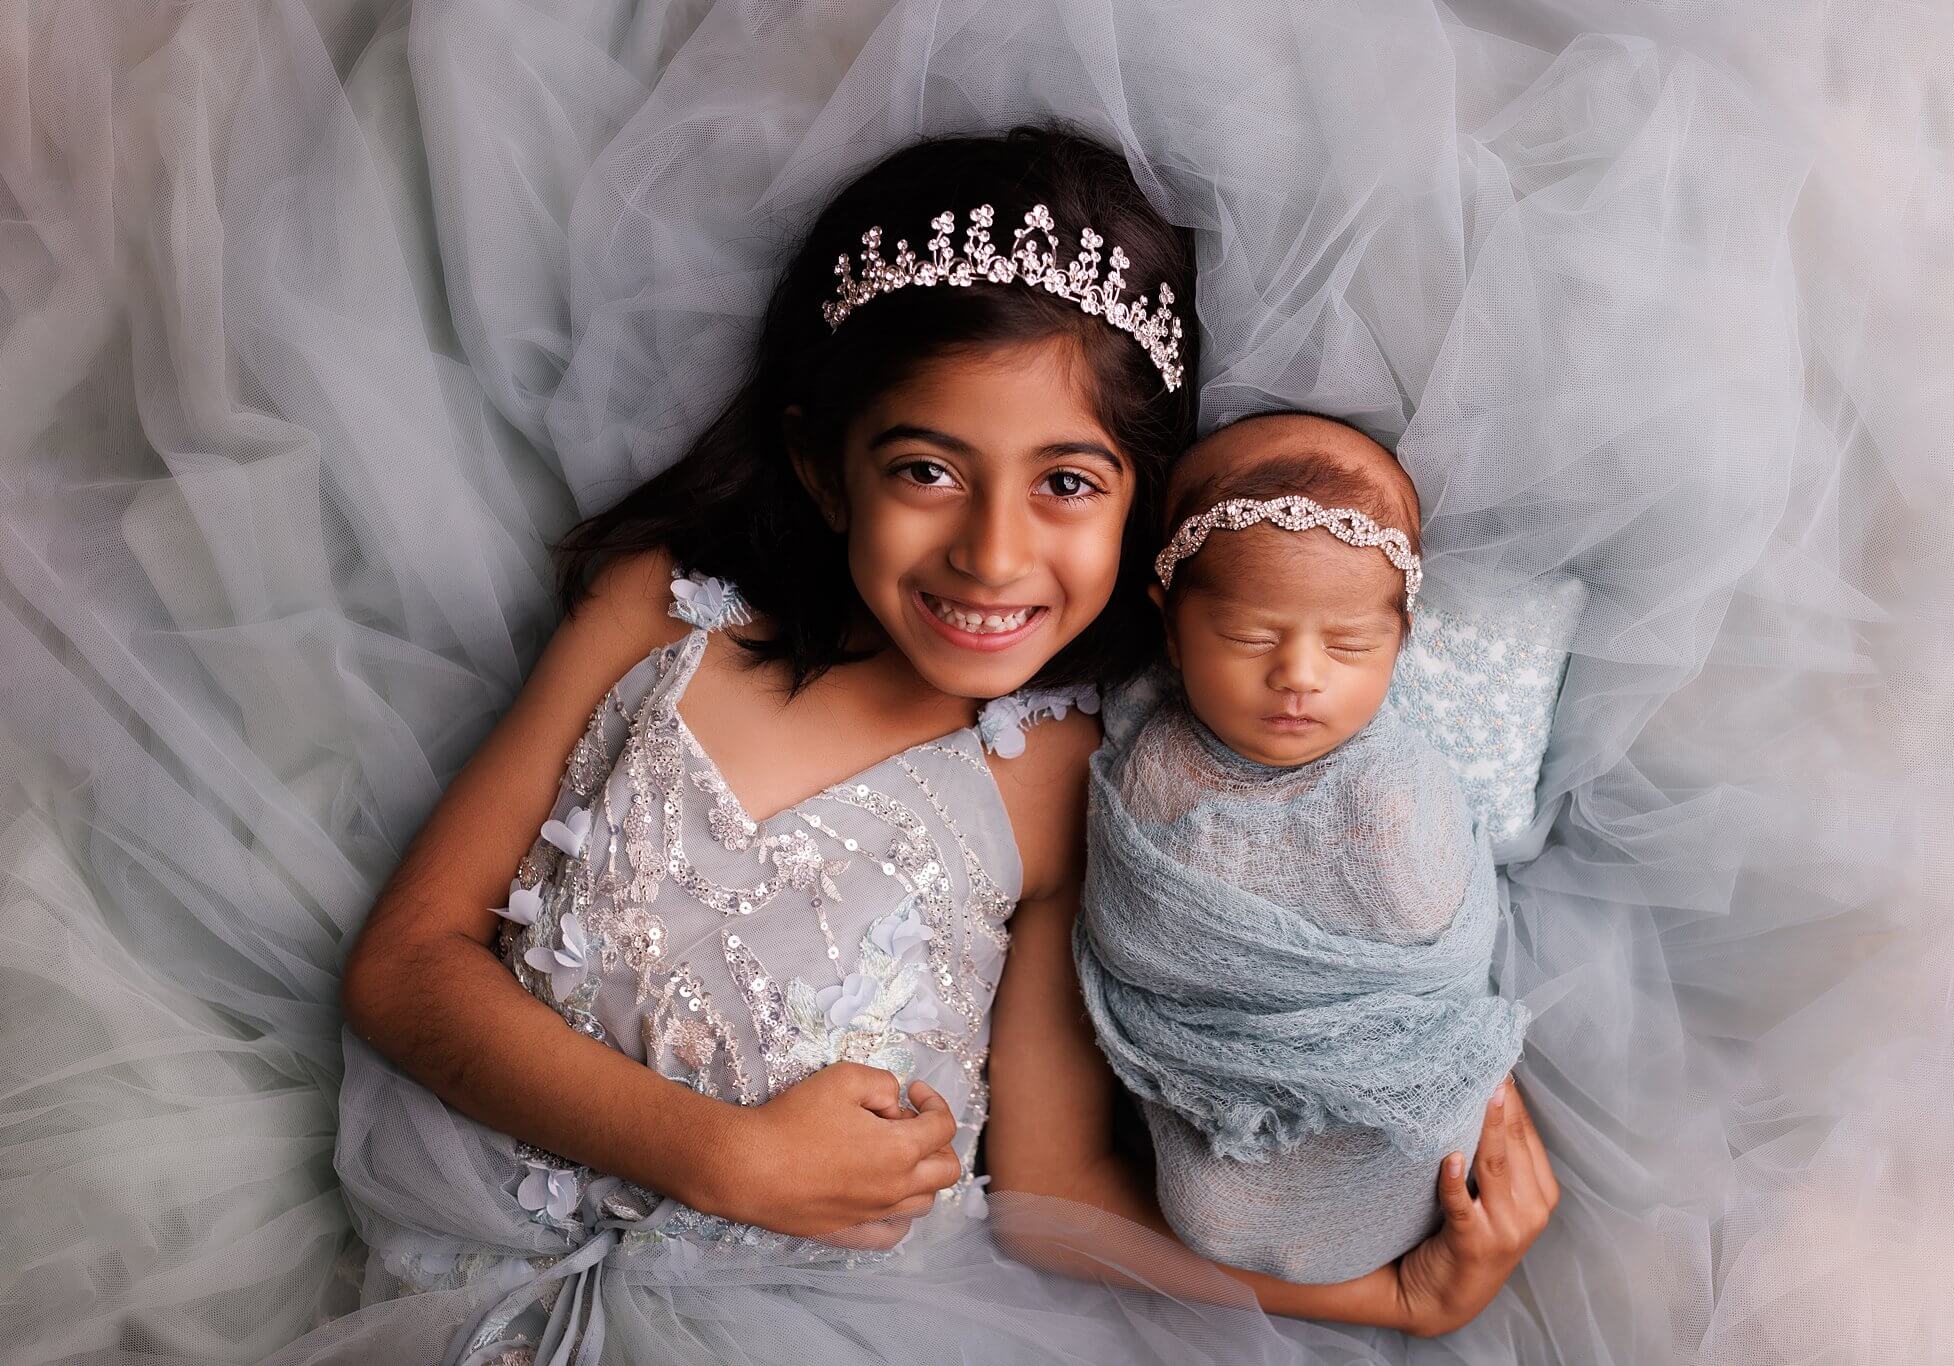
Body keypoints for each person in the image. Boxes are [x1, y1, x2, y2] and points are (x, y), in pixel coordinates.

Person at [328, 122, 1555, 1363]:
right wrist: (722, 1153)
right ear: (821, 467)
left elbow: (1057, 1193)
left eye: (1066, 483)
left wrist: (1386, 1300)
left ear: (1139, 502)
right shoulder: (663, 609)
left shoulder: (1078, 778)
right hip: (466, 1264)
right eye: (926, 469)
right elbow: (404, 963)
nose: (992, 553)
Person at [1063, 411, 1532, 1286]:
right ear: (1169, 626)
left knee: (1426, 1138)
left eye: (1352, 645)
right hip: (1212, 1084)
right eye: (1247, 638)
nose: (1300, 677)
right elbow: (1132, 936)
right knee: (1208, 1203)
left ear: (1401, 638)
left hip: (1391, 1084)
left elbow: (1437, 942)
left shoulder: (1396, 781)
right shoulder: (1148, 750)